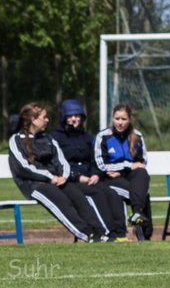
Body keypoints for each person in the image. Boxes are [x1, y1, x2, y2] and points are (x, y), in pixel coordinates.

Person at [8, 103, 112, 242]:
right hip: (34, 185)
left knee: (77, 196)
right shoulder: (16, 140)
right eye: (44, 117)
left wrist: (63, 176)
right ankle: (87, 234)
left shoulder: (48, 138)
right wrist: (50, 178)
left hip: (56, 181)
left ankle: (100, 232)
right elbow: (23, 167)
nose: (47, 120)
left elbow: (61, 161)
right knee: (61, 200)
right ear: (33, 120)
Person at [50, 98, 130, 241]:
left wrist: (95, 175)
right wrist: (77, 177)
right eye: (70, 116)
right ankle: (107, 233)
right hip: (71, 180)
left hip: (91, 179)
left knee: (112, 194)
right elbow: (57, 163)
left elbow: (95, 160)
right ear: (64, 117)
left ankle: (120, 233)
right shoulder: (55, 138)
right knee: (97, 194)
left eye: (77, 116)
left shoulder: (87, 137)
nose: (74, 119)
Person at [95, 103, 154, 241]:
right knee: (140, 193)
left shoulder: (137, 136)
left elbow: (142, 162)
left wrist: (123, 170)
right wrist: (126, 167)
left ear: (130, 119)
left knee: (142, 174)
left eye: (123, 119)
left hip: (130, 176)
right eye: (117, 119)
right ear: (112, 118)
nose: (120, 123)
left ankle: (137, 213)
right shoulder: (103, 136)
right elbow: (101, 165)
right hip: (110, 178)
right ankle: (143, 231)